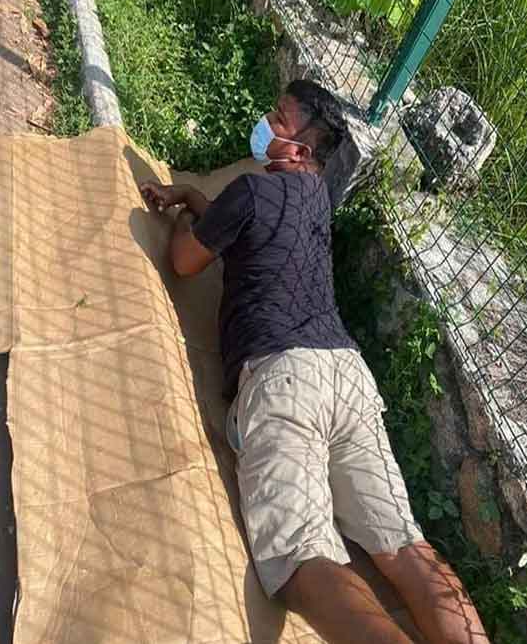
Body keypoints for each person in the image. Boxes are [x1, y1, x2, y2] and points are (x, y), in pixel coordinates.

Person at [139, 80, 490, 644]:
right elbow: (252, 232)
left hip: (284, 377)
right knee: (405, 546)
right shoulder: (319, 202)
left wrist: (183, 212)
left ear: (300, 150)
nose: (265, 123)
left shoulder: (250, 192)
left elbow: (184, 260)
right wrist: (199, 202)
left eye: (278, 118)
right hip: (348, 378)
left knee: (302, 559)